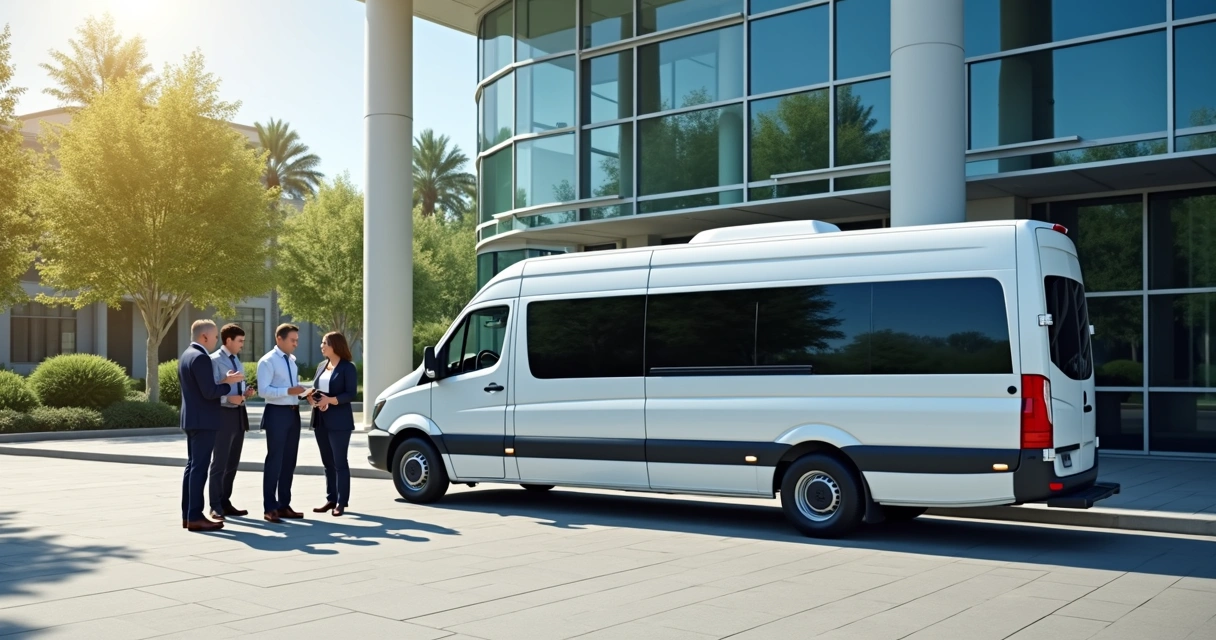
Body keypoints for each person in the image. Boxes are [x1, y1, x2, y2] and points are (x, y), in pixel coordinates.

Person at [179, 320, 244, 532]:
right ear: (204, 337)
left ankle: (189, 515)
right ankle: (196, 516)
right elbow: (209, 392)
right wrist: (227, 383)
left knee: (192, 468)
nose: (217, 340)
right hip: (204, 421)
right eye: (215, 336)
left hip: (192, 419)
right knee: (199, 469)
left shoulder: (187, 355)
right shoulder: (201, 358)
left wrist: (223, 381)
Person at [257, 323, 309, 523]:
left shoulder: (292, 361)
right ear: (280, 339)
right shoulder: (267, 361)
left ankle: (284, 505)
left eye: (297, 340)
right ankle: (269, 508)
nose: (296, 344)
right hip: (276, 414)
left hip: (293, 413)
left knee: (289, 460)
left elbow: (292, 389)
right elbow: (264, 391)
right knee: (275, 460)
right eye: (292, 340)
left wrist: (305, 394)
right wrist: (289, 391)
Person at [307, 332, 359, 517]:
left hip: (340, 421)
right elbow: (316, 389)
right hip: (320, 419)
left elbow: (350, 393)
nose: (321, 346)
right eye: (321, 342)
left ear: (335, 345)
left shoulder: (348, 367)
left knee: (339, 462)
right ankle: (331, 499)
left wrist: (331, 400)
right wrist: (312, 398)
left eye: (324, 343)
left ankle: (341, 502)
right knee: (327, 462)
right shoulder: (322, 365)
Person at [208, 323, 256, 521]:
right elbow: (210, 390)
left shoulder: (236, 359)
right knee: (219, 462)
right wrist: (228, 398)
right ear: (228, 340)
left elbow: (235, 385)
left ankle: (225, 501)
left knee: (233, 462)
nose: (242, 345)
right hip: (222, 415)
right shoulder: (213, 361)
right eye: (240, 341)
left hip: (238, 414)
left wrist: (245, 394)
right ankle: (215, 505)